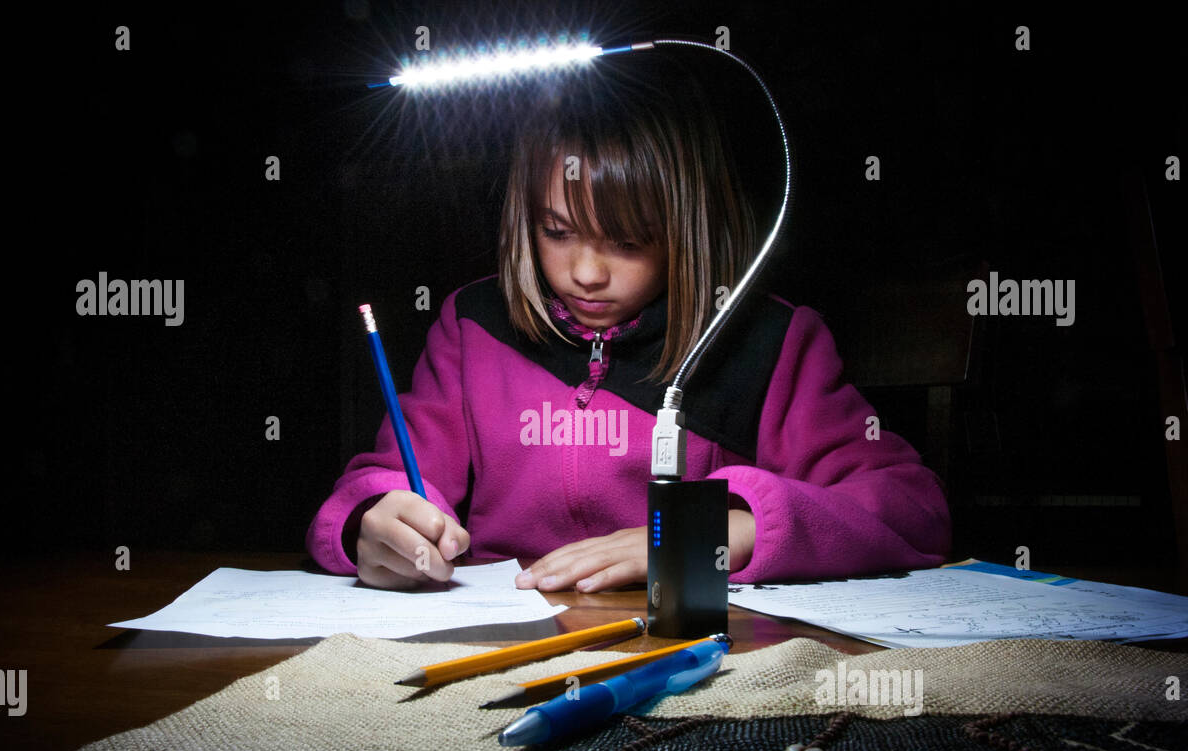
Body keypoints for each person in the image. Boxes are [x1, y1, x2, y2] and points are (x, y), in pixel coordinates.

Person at [307, 57, 951, 592]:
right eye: (556, 232)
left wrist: (714, 532)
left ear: (686, 229)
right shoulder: (471, 327)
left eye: (629, 241)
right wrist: (372, 519)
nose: (585, 272)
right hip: (498, 638)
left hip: (694, 649)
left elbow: (912, 509)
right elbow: (385, 481)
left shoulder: (772, 345)